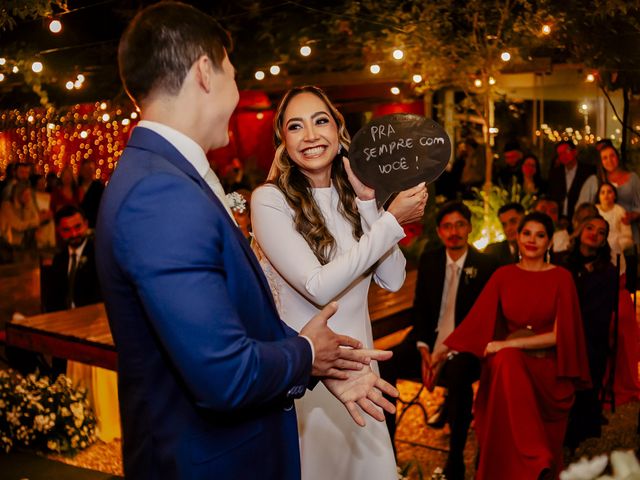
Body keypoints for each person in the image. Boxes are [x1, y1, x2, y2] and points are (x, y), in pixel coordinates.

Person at [96, 4, 396, 479]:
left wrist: (317, 369)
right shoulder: (161, 193)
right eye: (234, 76)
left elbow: (229, 320)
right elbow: (222, 373)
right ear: (204, 74)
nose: (239, 94)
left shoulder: (169, 177)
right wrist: (307, 355)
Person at [250, 85, 427, 480]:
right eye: (295, 126)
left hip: (361, 380)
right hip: (309, 382)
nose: (310, 135)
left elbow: (394, 278)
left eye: (320, 121)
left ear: (338, 129)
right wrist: (391, 222)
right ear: (283, 140)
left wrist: (368, 204)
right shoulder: (270, 201)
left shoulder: (355, 200)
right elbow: (318, 286)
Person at [444, 212, 591, 480]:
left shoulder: (562, 278)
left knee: (505, 358)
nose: (532, 240)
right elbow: (475, 323)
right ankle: (534, 461)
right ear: (518, 237)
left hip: (547, 370)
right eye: (527, 233)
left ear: (549, 242)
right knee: (506, 362)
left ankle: (536, 461)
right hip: (509, 370)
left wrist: (507, 345)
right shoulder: (503, 275)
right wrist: (438, 353)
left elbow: (561, 336)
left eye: (540, 235)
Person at [379, 201, 495, 480]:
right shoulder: (431, 260)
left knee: (459, 376)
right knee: (385, 365)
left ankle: (455, 461)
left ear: (469, 227)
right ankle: (387, 455)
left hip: (465, 344)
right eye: (447, 226)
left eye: (459, 225)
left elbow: (484, 319)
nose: (453, 231)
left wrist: (449, 351)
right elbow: (421, 309)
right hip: (428, 339)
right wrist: (422, 349)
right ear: (440, 232)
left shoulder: (487, 265)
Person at [560, 215, 617, 450]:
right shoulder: (561, 261)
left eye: (601, 232)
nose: (594, 233)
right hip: (561, 330)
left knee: (590, 355)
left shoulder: (608, 271)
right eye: (590, 228)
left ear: (604, 241)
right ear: (580, 230)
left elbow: (601, 313)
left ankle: (579, 426)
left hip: (590, 336)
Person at [578, 144, 640, 243]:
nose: (609, 160)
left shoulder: (633, 178)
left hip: (627, 234)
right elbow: (581, 209)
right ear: (601, 162)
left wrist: (632, 215)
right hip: (599, 236)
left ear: (618, 157)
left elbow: (639, 205)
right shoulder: (594, 181)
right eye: (605, 158)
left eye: (612, 156)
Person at [547, 140, 595, 223]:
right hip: (558, 219)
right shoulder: (555, 173)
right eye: (560, 154)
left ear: (575, 152)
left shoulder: (588, 171)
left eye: (566, 152)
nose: (563, 156)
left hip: (580, 219)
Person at [596, 182, 633, 258]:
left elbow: (627, 236)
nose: (606, 195)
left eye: (609, 192)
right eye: (602, 192)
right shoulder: (593, 210)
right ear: (598, 196)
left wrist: (615, 248)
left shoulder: (620, 211)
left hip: (615, 250)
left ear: (615, 196)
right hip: (596, 248)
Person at [77, 160, 105, 229]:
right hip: (78, 224)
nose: (87, 172)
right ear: (81, 171)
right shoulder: (77, 186)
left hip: (94, 224)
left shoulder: (99, 187)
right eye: (85, 169)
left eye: (90, 169)